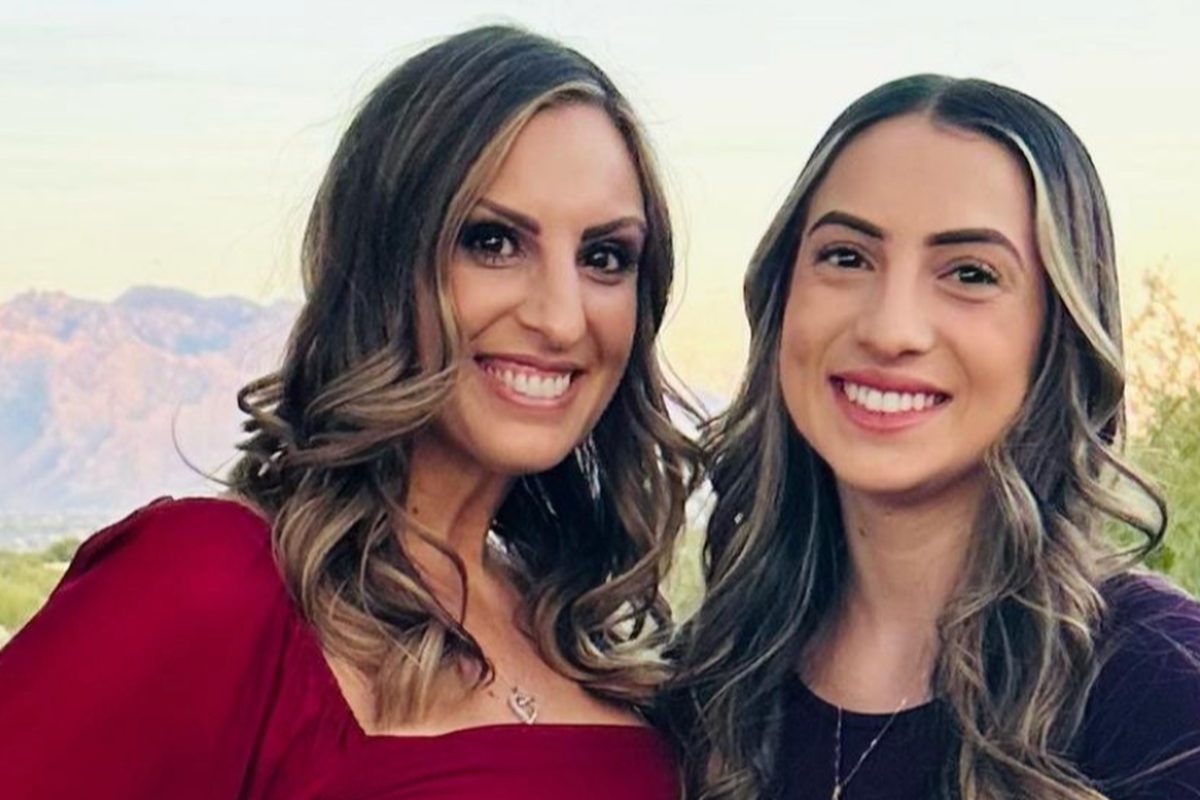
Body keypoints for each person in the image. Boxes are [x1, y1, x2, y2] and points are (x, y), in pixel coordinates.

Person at [0, 25, 700, 799]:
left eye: (604, 257)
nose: (562, 319)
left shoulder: (598, 646)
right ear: (382, 265)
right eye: (492, 241)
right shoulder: (212, 585)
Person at [668, 75, 1200, 800]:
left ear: (1059, 334)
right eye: (847, 257)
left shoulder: (1163, 693)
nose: (890, 328)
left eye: (970, 274)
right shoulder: (698, 691)